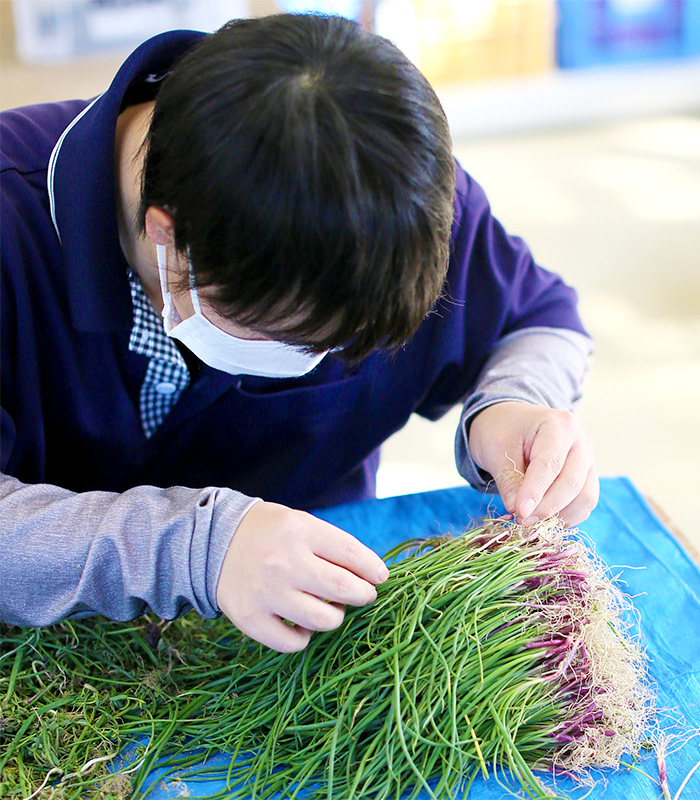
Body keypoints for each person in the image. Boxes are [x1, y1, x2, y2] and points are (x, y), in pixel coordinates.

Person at [0, 13, 597, 653]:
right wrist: (197, 548)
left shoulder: (384, 196)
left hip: (298, 642)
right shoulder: (13, 225)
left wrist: (514, 401)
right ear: (168, 235)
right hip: (53, 672)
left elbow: (541, 318)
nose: (320, 363)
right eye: (293, 341)